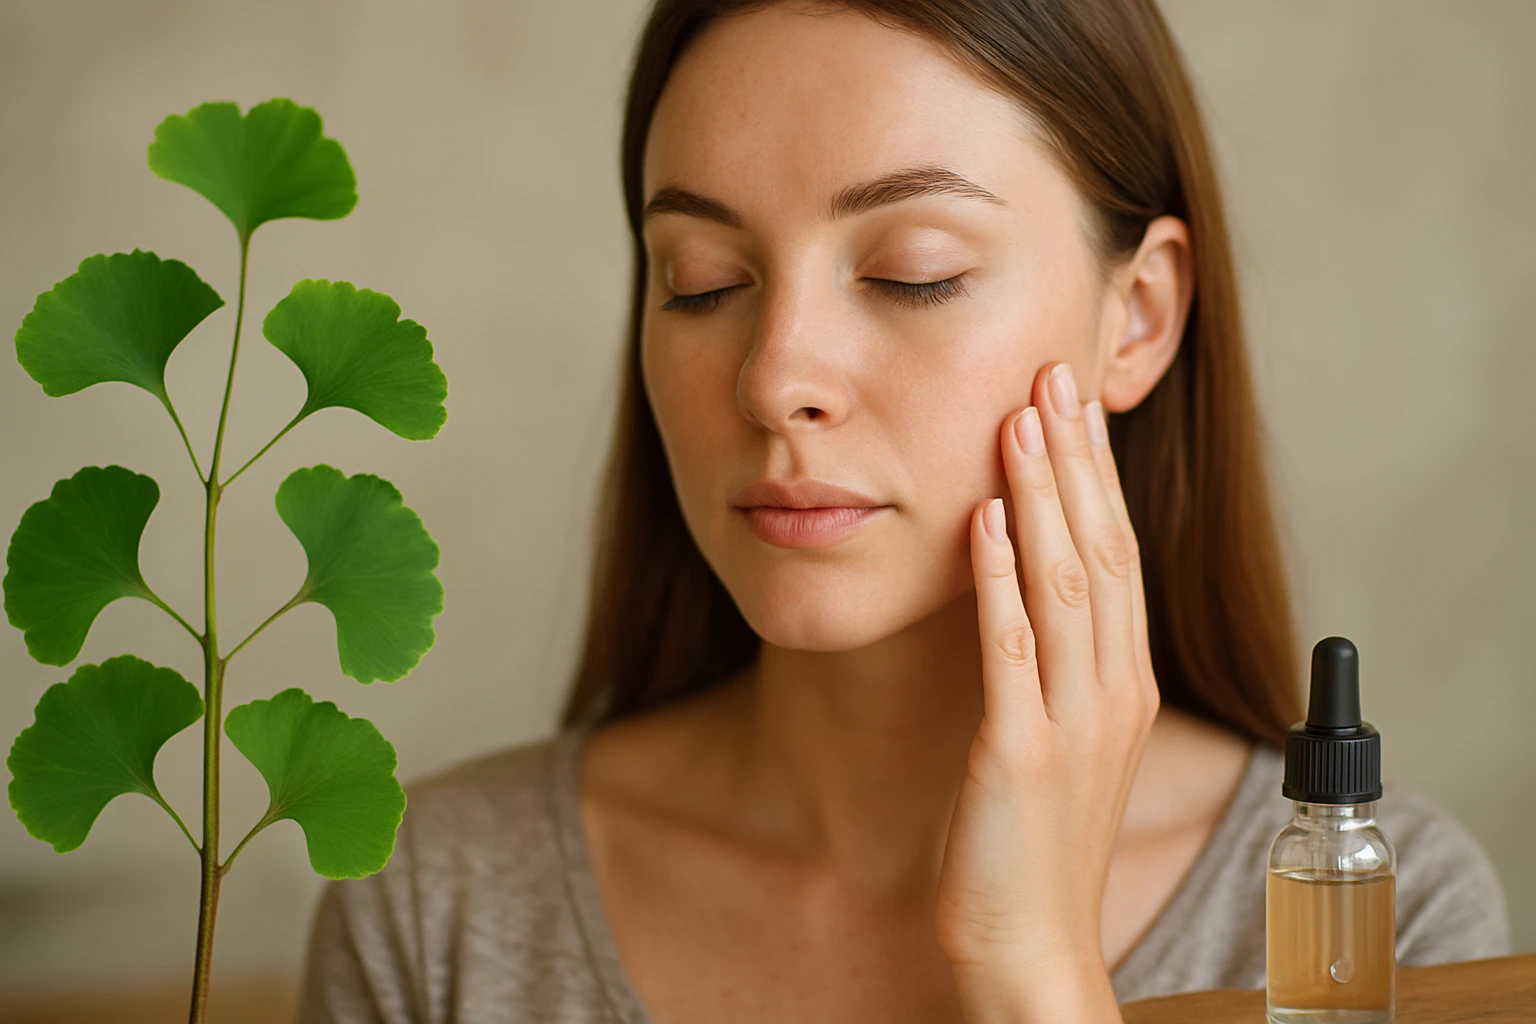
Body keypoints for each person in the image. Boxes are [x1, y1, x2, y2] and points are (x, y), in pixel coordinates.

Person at [295, 1, 1512, 1021]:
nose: (775, 378)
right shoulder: (435, 907)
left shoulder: (1360, 904)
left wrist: (1036, 969)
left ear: (1136, 315)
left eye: (910, 272)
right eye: (701, 281)